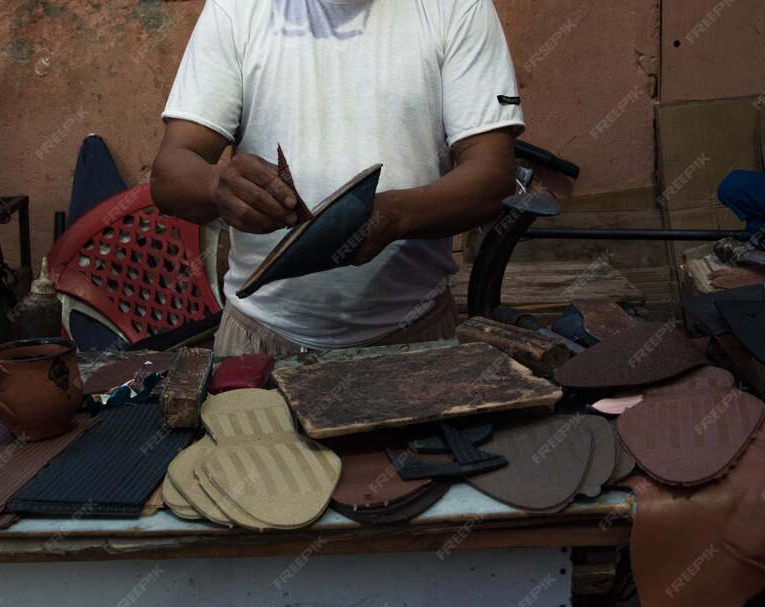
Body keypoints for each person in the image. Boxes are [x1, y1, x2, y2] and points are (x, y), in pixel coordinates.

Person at [151, 0, 524, 356]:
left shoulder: (457, 7)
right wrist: (219, 187)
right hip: (260, 342)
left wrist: (393, 216)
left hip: (414, 338)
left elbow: (492, 175)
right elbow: (171, 172)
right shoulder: (237, 9)